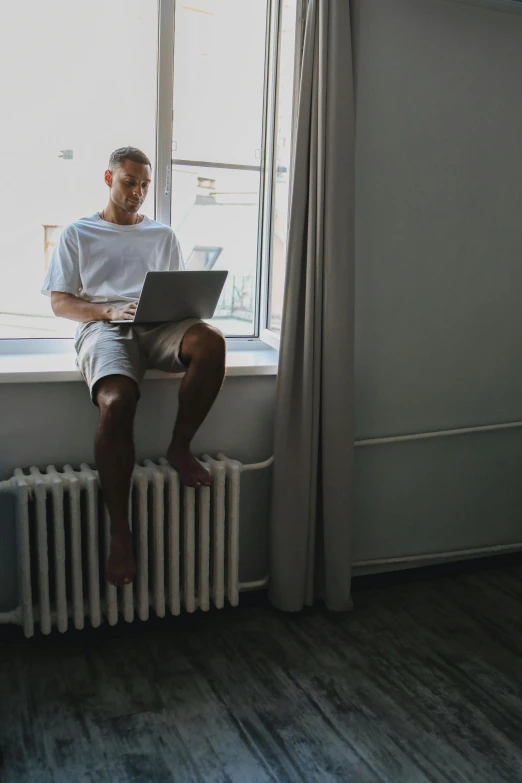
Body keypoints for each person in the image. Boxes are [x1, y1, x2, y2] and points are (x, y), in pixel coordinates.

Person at [42, 147, 226, 588]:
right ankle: (120, 535)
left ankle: (179, 448)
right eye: (130, 182)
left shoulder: (162, 236)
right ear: (109, 179)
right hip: (105, 328)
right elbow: (59, 301)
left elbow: (178, 294)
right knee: (118, 400)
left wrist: (181, 311)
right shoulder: (78, 233)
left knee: (211, 341)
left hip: (158, 326)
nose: (138, 192)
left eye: (144, 185)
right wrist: (107, 313)